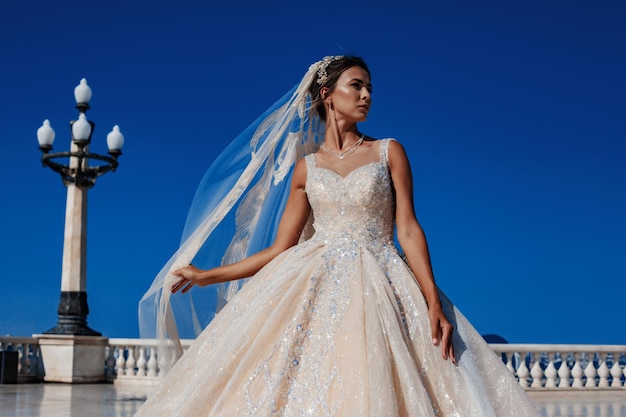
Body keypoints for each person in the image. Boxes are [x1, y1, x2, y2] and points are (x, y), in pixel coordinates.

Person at [136, 56, 541, 416]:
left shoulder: (389, 151)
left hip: (382, 278)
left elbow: (408, 228)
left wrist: (432, 299)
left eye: (369, 88)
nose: (366, 95)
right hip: (310, 278)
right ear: (328, 95)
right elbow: (280, 248)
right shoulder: (306, 168)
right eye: (357, 86)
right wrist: (208, 274)